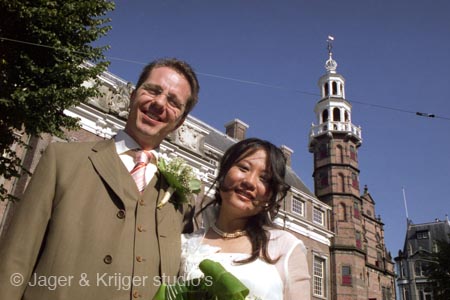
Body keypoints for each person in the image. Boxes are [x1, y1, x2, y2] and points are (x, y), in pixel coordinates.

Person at [0, 58, 200, 300]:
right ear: (134, 95)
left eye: (173, 101)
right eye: (153, 90)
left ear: (180, 121)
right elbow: (15, 261)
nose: (159, 103)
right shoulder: (61, 159)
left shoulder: (182, 201)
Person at [180, 138, 311, 300]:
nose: (250, 182)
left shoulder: (285, 246)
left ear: (270, 196)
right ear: (223, 173)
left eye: (264, 178)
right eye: (244, 168)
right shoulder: (186, 244)